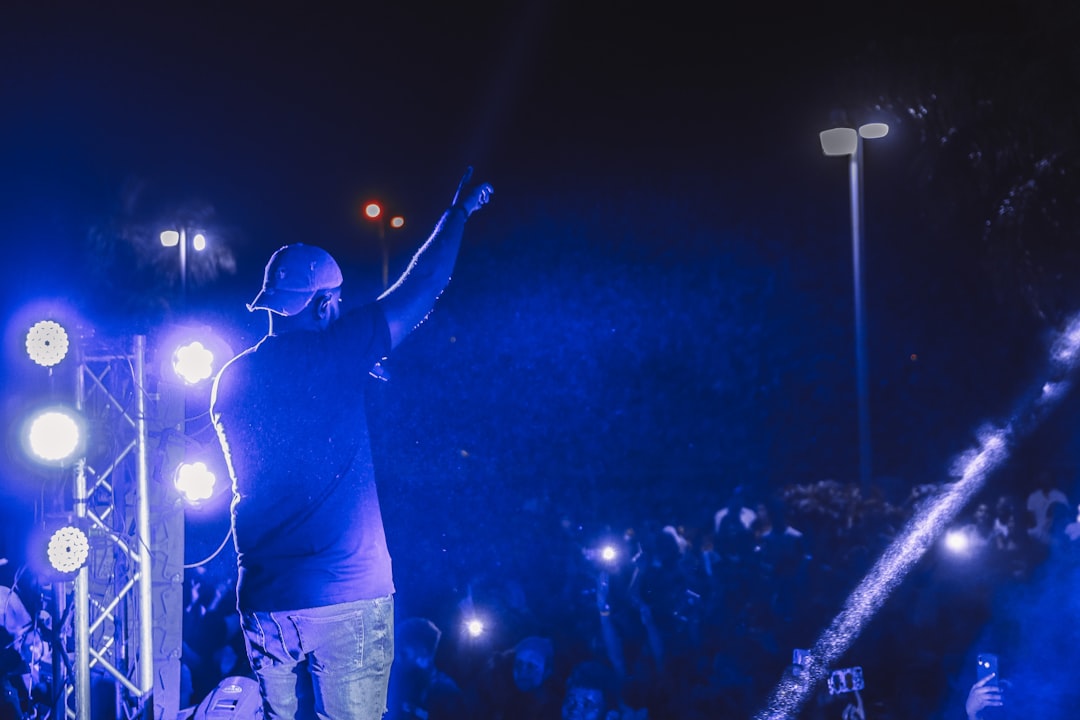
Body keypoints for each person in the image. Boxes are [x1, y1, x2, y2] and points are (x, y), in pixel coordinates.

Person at [210, 167, 494, 719]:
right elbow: (424, 285)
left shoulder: (230, 378)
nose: (341, 307)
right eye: (336, 300)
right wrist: (457, 212)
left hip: (267, 598)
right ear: (319, 306)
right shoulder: (337, 353)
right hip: (348, 595)